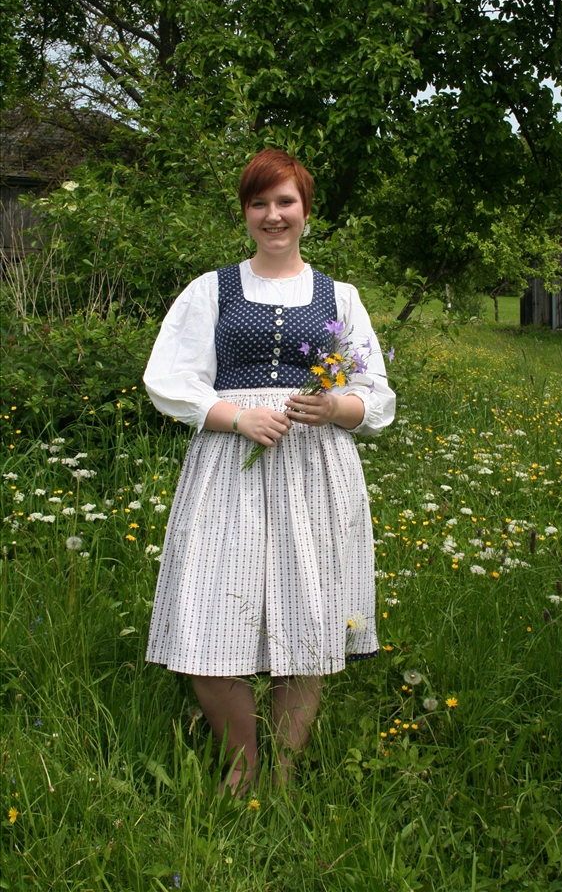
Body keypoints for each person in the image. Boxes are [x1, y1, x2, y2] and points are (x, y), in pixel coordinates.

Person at [143, 149, 395, 794]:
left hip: (315, 469)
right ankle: (240, 766)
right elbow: (169, 377)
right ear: (245, 213)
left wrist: (336, 405)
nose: (273, 215)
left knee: (307, 614)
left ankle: (281, 771)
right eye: (260, 203)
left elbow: (375, 392)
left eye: (285, 202)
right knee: (211, 609)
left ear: (307, 212)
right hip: (229, 466)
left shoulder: (341, 297)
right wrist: (234, 417)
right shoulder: (212, 289)